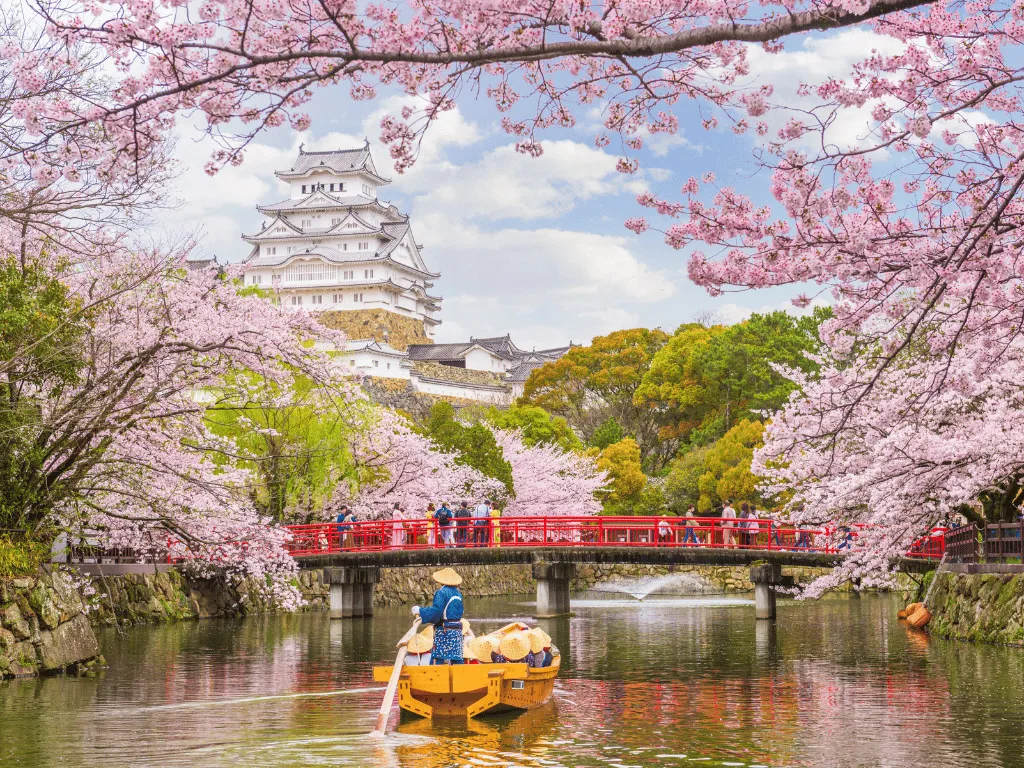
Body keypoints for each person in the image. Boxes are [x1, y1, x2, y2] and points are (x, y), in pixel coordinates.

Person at [412, 568, 465, 664]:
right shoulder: (458, 594)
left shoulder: (441, 593)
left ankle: (433, 676)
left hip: (444, 630)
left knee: (438, 658)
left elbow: (436, 611)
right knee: (457, 658)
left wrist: (420, 610)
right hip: (457, 631)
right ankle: (460, 676)